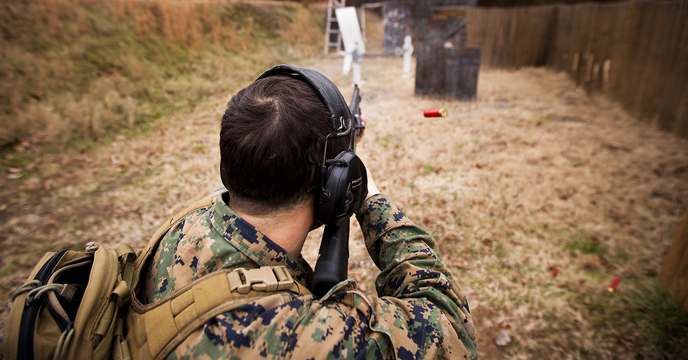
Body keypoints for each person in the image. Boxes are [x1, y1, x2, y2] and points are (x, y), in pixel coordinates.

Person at [140, 66, 477, 359]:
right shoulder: (307, 339)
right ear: (338, 186)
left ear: (229, 168)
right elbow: (452, 329)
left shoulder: (184, 226)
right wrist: (370, 197)